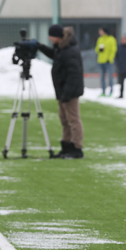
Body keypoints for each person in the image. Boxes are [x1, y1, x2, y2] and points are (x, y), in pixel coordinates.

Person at [37, 24, 85, 159]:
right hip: (63, 91)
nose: (49, 38)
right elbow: (56, 56)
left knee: (73, 120)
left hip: (69, 93)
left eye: (51, 36)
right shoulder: (62, 48)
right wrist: (40, 47)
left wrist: (67, 93)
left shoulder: (70, 51)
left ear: (57, 37)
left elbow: (74, 74)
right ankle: (66, 147)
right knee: (64, 120)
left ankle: (76, 148)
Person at [95, 27, 117, 97]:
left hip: (108, 61)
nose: (99, 32)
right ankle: (103, 91)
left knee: (110, 76)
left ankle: (111, 91)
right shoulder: (100, 39)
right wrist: (99, 49)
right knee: (102, 77)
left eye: (101, 31)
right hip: (101, 61)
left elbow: (113, 50)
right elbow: (96, 49)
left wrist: (110, 58)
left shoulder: (111, 39)